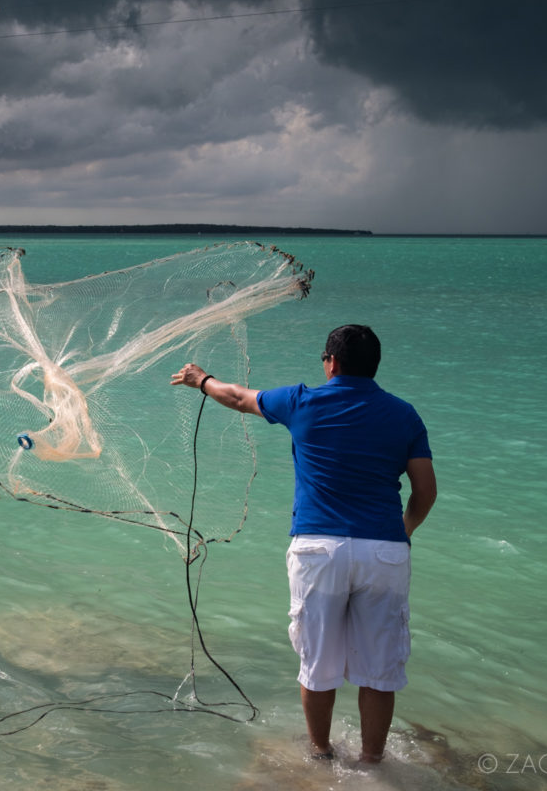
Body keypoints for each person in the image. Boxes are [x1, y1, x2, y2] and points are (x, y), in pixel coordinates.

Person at [170, 324, 436, 764]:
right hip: (383, 553)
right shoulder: (404, 414)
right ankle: (372, 764)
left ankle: (320, 755)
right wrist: (401, 532)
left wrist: (202, 380)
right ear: (375, 365)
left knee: (318, 665)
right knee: (380, 671)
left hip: (318, 551)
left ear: (330, 362)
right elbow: (425, 492)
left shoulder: (301, 401)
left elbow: (237, 396)